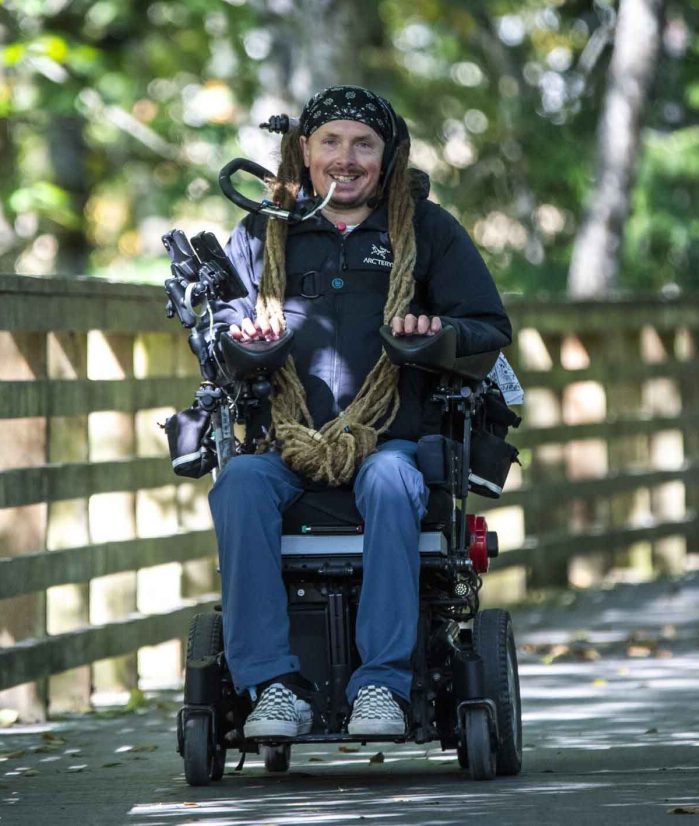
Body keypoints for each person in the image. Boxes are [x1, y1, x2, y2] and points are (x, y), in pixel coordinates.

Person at [207, 85, 512, 740]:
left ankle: (383, 682)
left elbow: (489, 327)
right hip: (285, 448)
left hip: (392, 442)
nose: (346, 159)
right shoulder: (265, 231)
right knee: (237, 484)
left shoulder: (427, 230)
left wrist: (438, 335)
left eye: (363, 144)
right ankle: (272, 685)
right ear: (304, 152)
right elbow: (218, 327)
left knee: (392, 479)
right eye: (331, 142)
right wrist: (241, 342)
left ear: (388, 154)